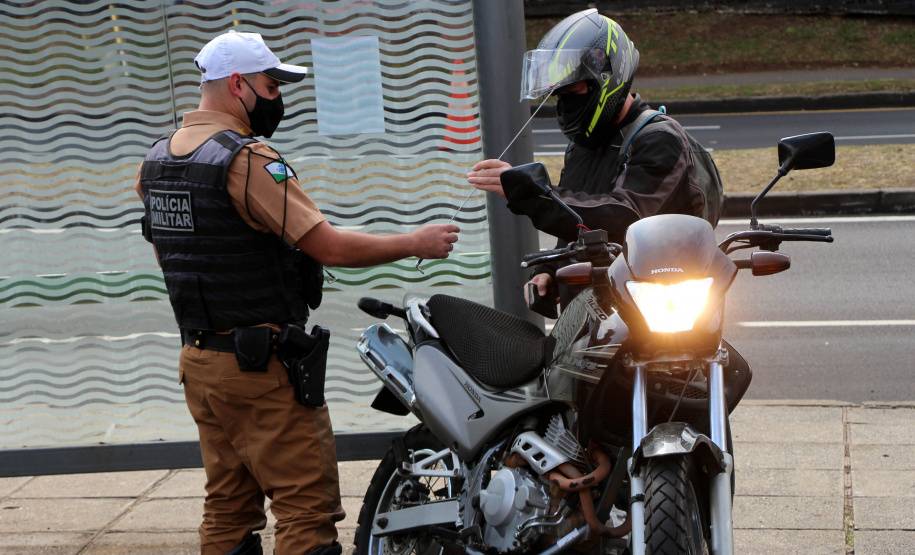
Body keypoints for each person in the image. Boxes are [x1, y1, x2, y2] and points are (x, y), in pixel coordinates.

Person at [134, 30, 459, 555]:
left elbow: (168, 259)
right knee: (307, 511)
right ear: (237, 84)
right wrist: (414, 242)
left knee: (227, 509)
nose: (277, 98)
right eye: (271, 85)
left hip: (200, 362)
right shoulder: (246, 160)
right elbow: (327, 246)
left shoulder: (156, 162)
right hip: (260, 371)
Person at [468, 10, 719, 310]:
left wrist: (530, 192)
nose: (564, 104)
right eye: (558, 96)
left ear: (605, 78)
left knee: (725, 359)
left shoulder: (659, 139)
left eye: (572, 91)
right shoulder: (582, 145)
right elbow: (579, 218)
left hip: (661, 311)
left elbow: (623, 216)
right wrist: (550, 270)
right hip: (593, 313)